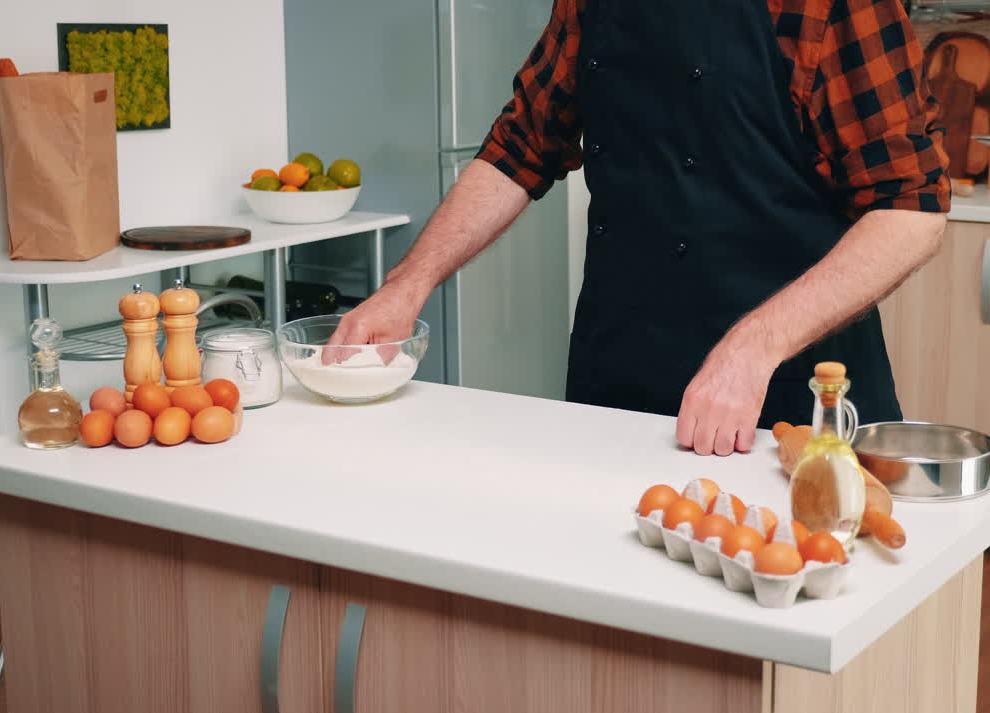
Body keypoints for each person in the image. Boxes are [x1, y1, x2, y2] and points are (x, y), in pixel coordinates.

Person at [328, 0, 950, 456]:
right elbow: (520, 148)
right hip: (618, 374)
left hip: (785, 396)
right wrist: (407, 284)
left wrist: (751, 349)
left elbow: (910, 210)